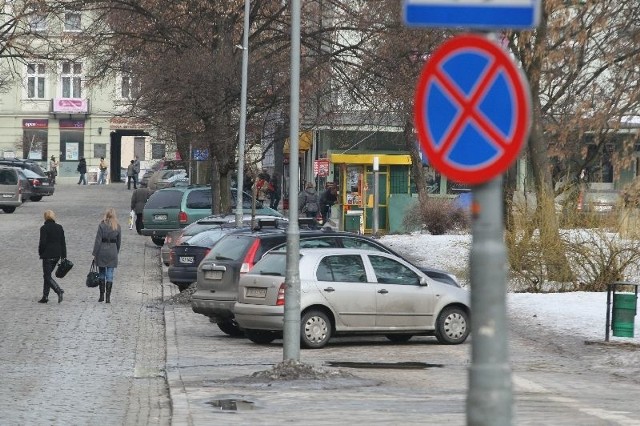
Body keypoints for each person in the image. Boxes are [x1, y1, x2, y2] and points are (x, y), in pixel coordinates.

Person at [92, 208, 122, 303]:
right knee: (110, 274)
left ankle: (101, 296)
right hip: (112, 250)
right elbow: (119, 242)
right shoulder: (117, 226)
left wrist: (94, 253)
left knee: (102, 273)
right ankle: (108, 297)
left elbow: (98, 241)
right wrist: (116, 251)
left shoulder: (101, 225)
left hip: (102, 251)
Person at [38, 210, 66, 303]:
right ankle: (45, 296)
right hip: (57, 255)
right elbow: (63, 243)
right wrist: (63, 256)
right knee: (47, 276)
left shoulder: (44, 228)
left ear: (45, 217)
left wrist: (41, 252)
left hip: (47, 255)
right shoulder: (59, 227)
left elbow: (42, 243)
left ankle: (58, 290)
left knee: (47, 276)